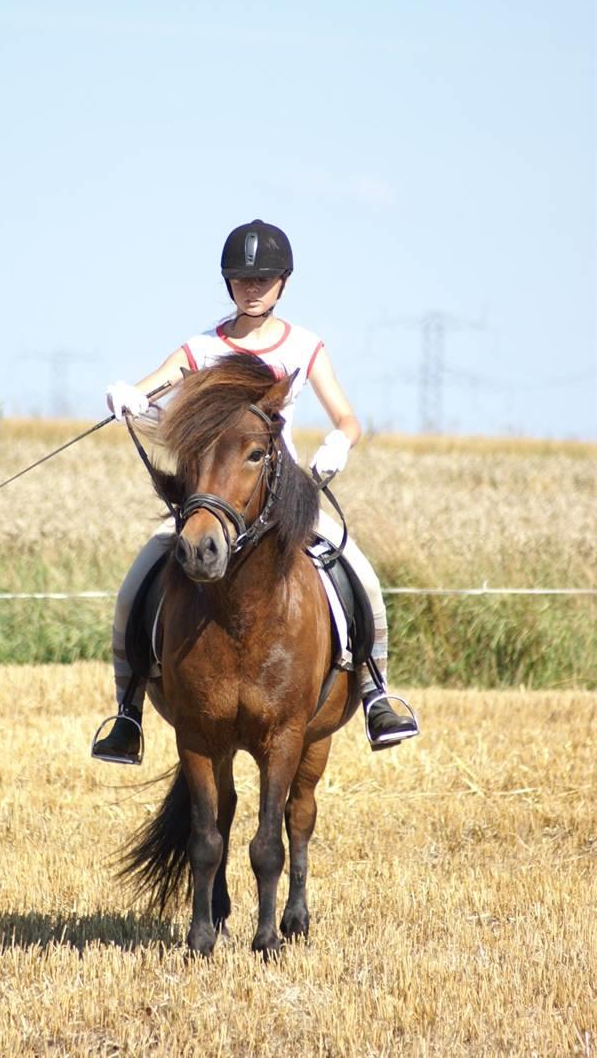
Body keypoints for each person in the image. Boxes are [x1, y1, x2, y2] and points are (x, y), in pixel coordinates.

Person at [92, 219, 419, 764]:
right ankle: (128, 711)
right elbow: (156, 383)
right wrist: (130, 394)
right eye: (242, 279)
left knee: (359, 571)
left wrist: (340, 441)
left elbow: (347, 415)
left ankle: (376, 692)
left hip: (283, 495)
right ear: (228, 283)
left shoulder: (305, 346)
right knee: (138, 580)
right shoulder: (202, 348)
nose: (252, 288)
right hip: (216, 496)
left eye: (263, 279)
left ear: (283, 282)